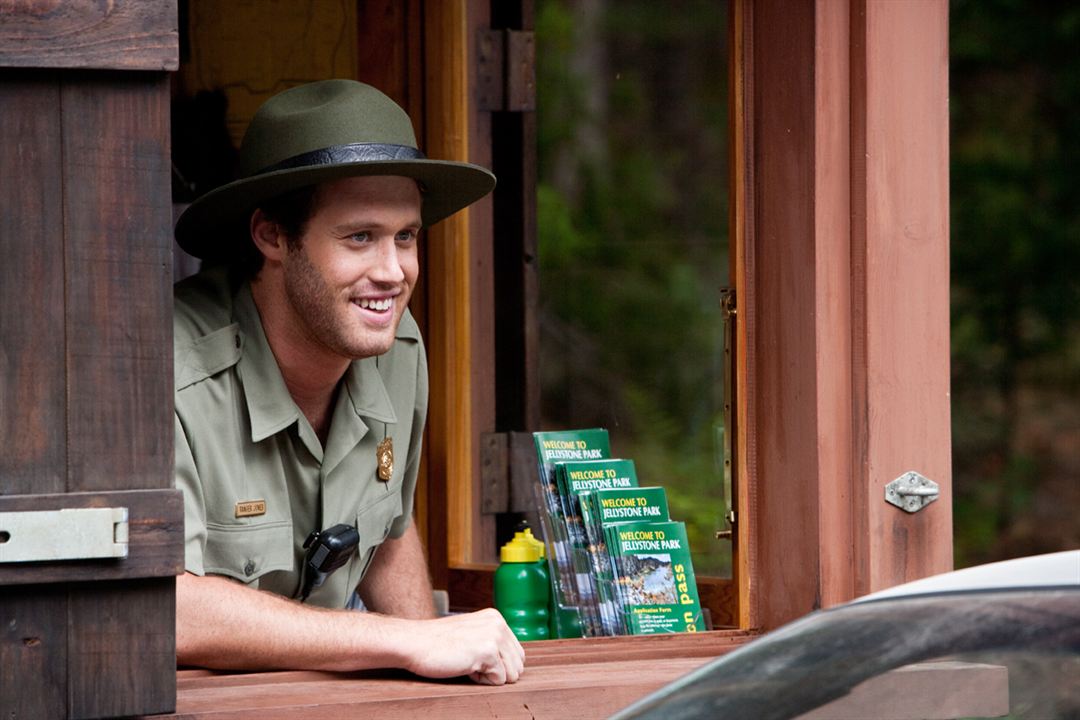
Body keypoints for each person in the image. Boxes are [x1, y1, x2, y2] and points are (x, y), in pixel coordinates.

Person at [172, 79, 524, 684]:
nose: (393, 273)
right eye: (360, 237)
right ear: (272, 235)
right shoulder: (165, 373)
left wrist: (445, 679)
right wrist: (407, 640)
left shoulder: (396, 346)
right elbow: (163, 607)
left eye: (406, 236)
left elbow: (387, 531)